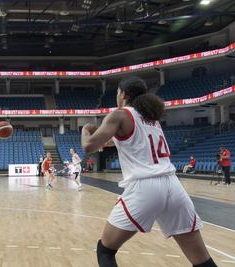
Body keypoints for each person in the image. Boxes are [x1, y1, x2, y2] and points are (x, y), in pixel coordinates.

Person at [81, 77, 216, 267]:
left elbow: (88, 146)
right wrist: (105, 138)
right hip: (173, 186)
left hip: (145, 187)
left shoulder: (119, 115)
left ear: (124, 94)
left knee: (105, 250)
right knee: (202, 260)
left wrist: (86, 130)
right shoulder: (150, 118)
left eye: (118, 93)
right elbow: (120, 141)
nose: (117, 97)